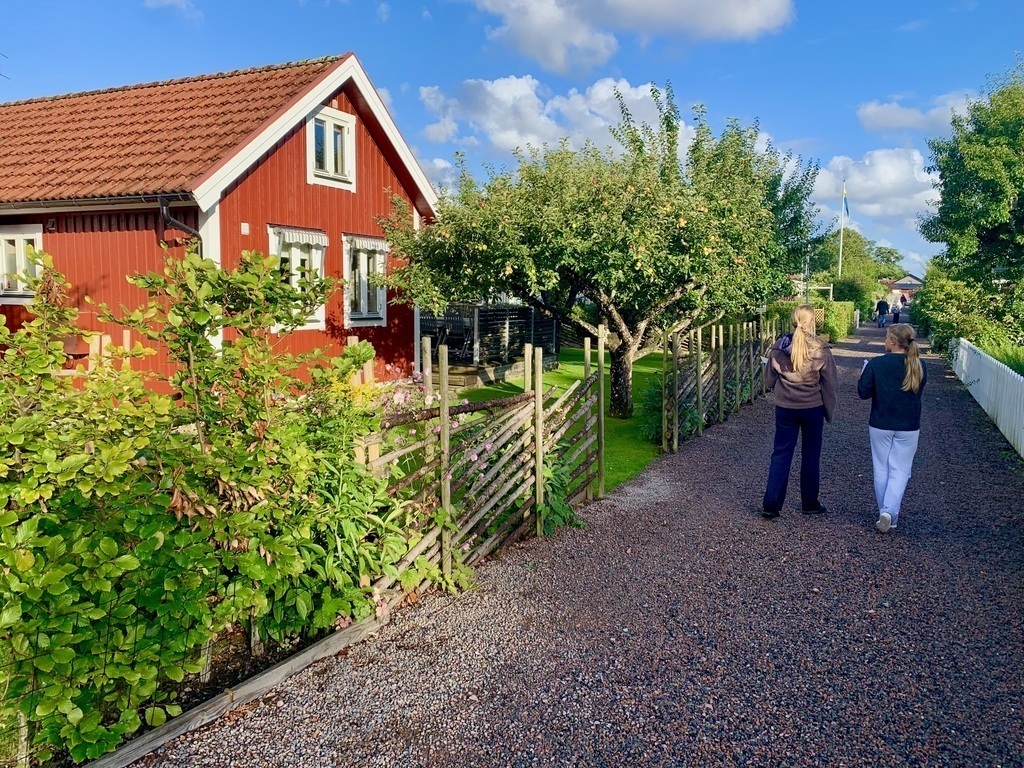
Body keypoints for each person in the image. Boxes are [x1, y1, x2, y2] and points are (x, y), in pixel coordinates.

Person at [761, 305, 838, 519]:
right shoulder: (821, 349)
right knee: (811, 455)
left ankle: (771, 504)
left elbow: (768, 381)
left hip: (785, 408)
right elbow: (830, 384)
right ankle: (810, 503)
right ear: (812, 322)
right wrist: (829, 411)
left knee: (781, 453)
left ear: (792, 321)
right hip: (812, 408)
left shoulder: (779, 348)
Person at [857, 323, 927, 533]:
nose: (885, 341)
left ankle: (886, 513)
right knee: (900, 470)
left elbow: (863, 393)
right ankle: (889, 513)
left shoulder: (877, 364)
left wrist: (864, 373)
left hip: (880, 423)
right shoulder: (920, 365)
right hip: (909, 425)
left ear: (894, 341)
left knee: (881, 468)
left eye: (887, 337)